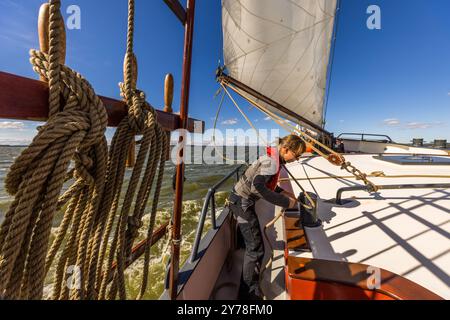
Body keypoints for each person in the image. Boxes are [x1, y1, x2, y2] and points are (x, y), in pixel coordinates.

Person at [228, 134, 306, 300]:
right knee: (256, 249)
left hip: (239, 198)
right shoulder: (272, 162)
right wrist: (287, 202)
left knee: (252, 240)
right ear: (285, 149)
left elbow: (265, 183)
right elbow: (258, 188)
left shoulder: (273, 159)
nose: (297, 159)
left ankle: (242, 242)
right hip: (242, 202)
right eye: (296, 155)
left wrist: (280, 191)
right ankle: (249, 294)